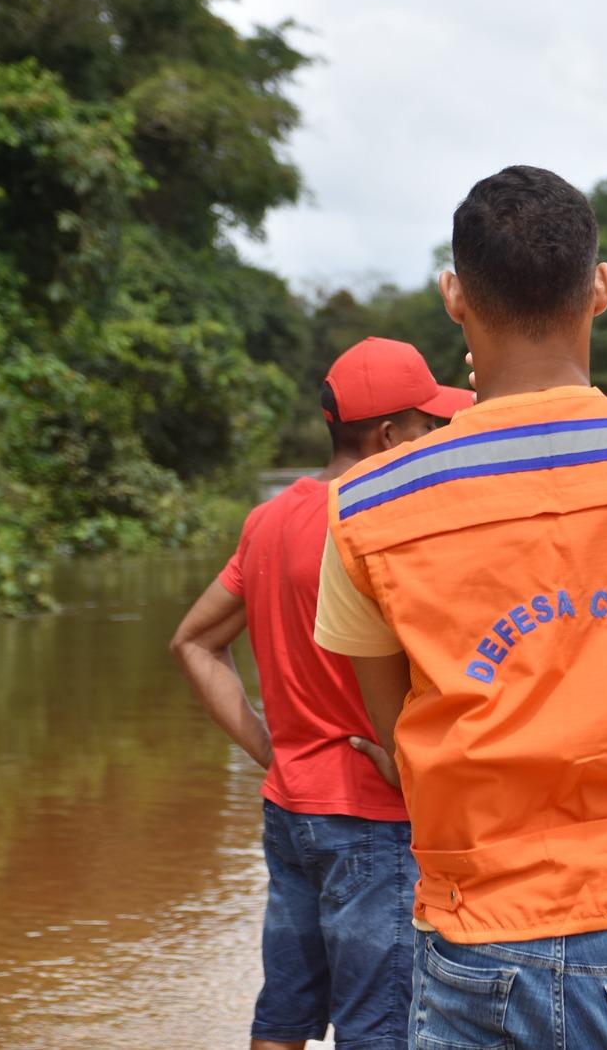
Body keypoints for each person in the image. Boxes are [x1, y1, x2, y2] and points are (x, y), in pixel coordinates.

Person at [312, 165, 607, 1049]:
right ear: (599, 288)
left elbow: (398, 733)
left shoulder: (366, 504)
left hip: (474, 939)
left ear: (453, 296)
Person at [169, 336, 473, 1050]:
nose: (433, 442)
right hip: (375, 817)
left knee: (284, 1018)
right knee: (381, 1028)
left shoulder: (270, 519)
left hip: (290, 806)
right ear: (390, 435)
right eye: (428, 429)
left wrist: (267, 746)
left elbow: (193, 641)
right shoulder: (387, 524)